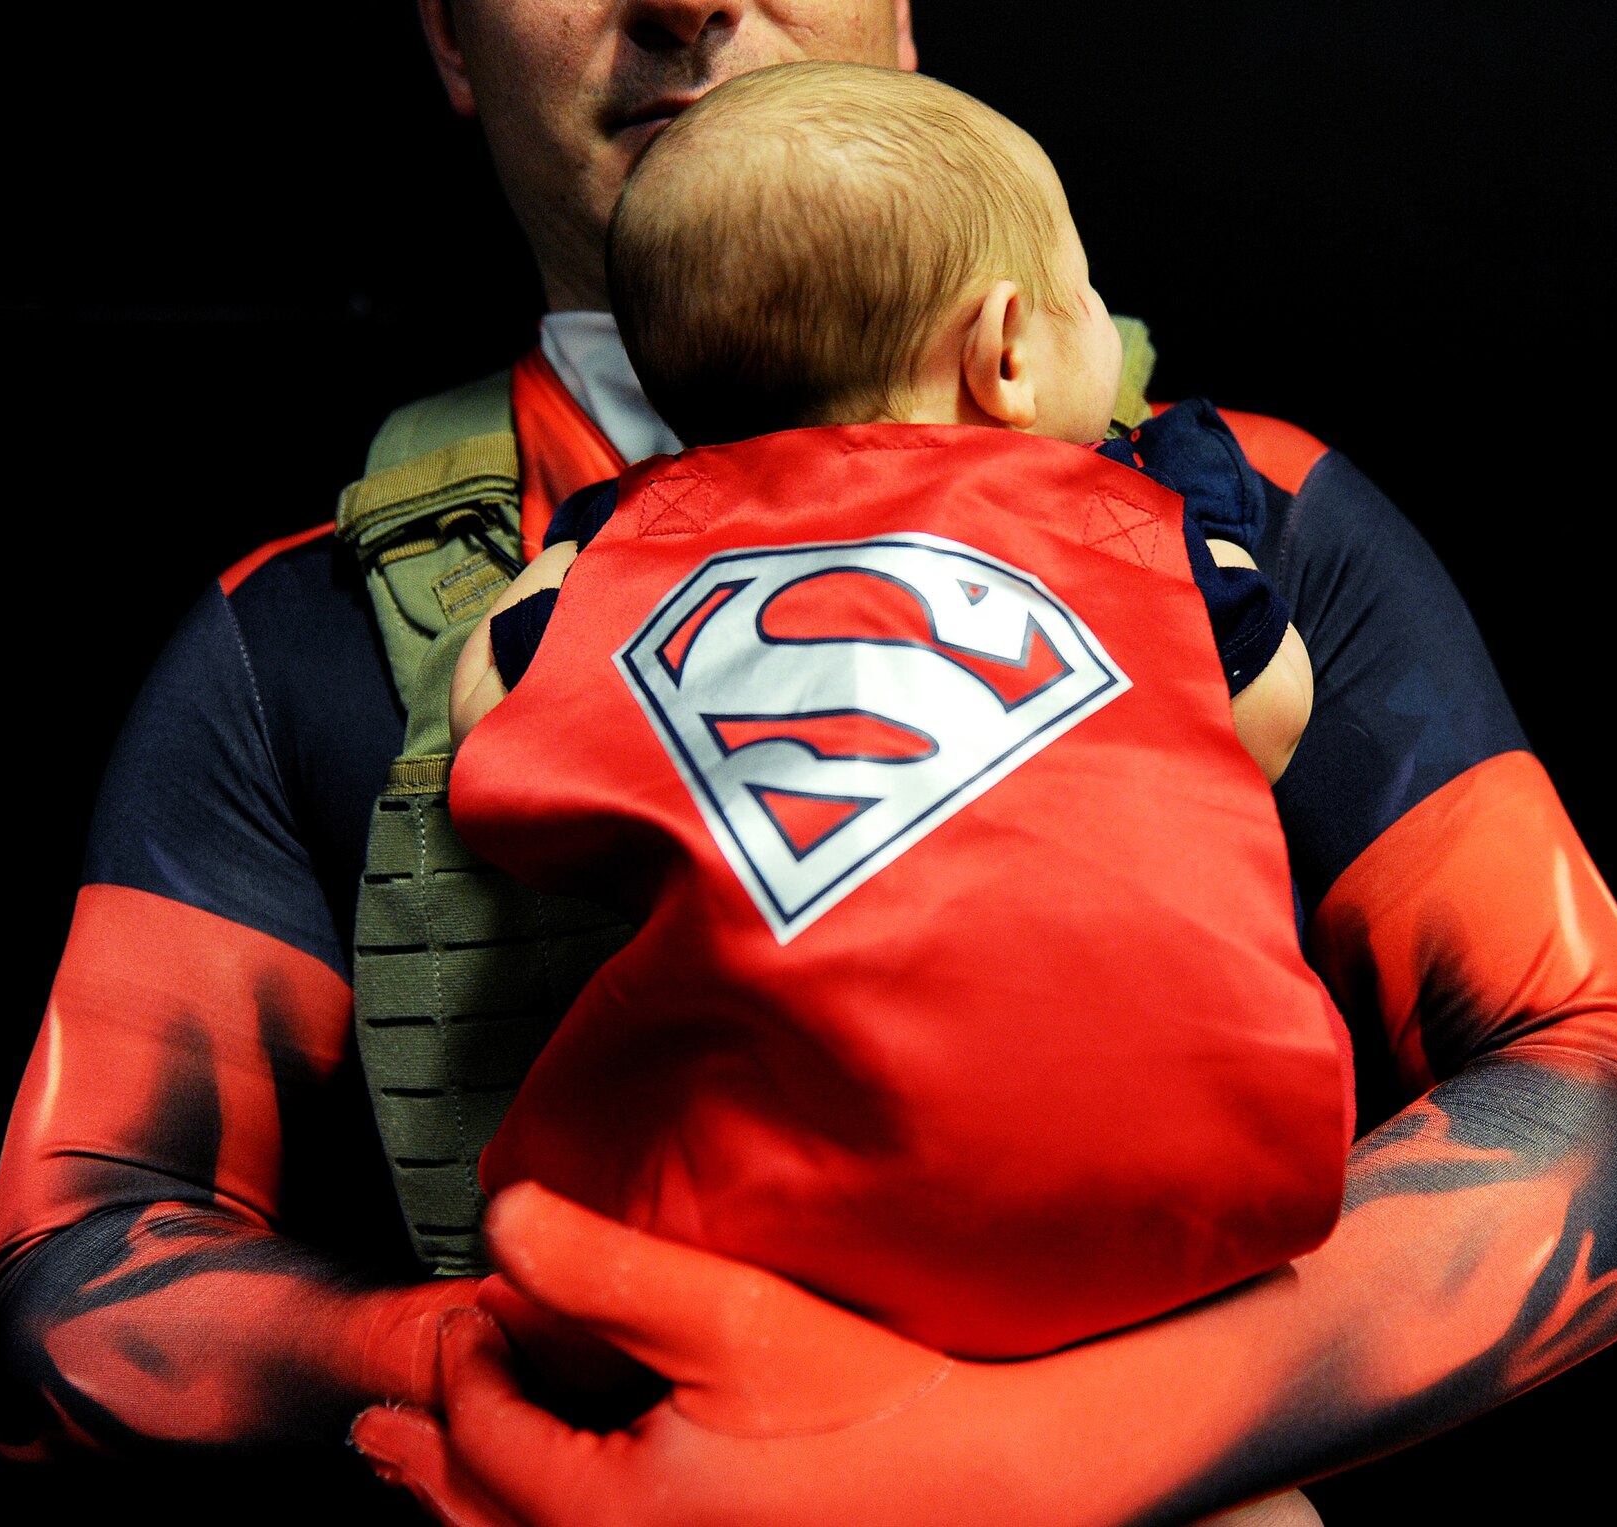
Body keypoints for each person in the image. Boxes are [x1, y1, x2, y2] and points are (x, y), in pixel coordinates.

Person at [0, 4, 1617, 1525]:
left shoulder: (1246, 518)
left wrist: (1038, 1451)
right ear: (449, 30)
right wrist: (493, 1379)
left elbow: (1607, 1102)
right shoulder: (294, 643)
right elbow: (65, 1274)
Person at [449, 60, 1349, 1371]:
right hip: (1186, 1182)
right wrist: (1194, 546)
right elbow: (1269, 710)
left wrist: (577, 558)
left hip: (743, 1230)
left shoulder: (643, 544)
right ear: (1006, 352)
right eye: (1084, 293)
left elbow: (496, 731)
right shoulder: (1130, 516)